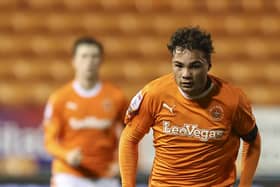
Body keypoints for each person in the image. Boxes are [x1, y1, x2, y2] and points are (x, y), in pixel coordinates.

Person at [119, 27, 261, 187]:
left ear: (209, 64)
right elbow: (129, 138)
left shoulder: (233, 99)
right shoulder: (154, 94)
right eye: (179, 66)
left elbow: (253, 140)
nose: (185, 74)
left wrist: (245, 184)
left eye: (194, 66)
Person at [43, 37, 127, 187]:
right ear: (74, 61)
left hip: (105, 175)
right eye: (84, 56)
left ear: (101, 61)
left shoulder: (116, 97)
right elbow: (49, 141)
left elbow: (131, 134)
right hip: (69, 175)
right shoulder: (60, 99)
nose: (89, 62)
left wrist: (122, 163)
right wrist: (66, 155)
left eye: (94, 56)